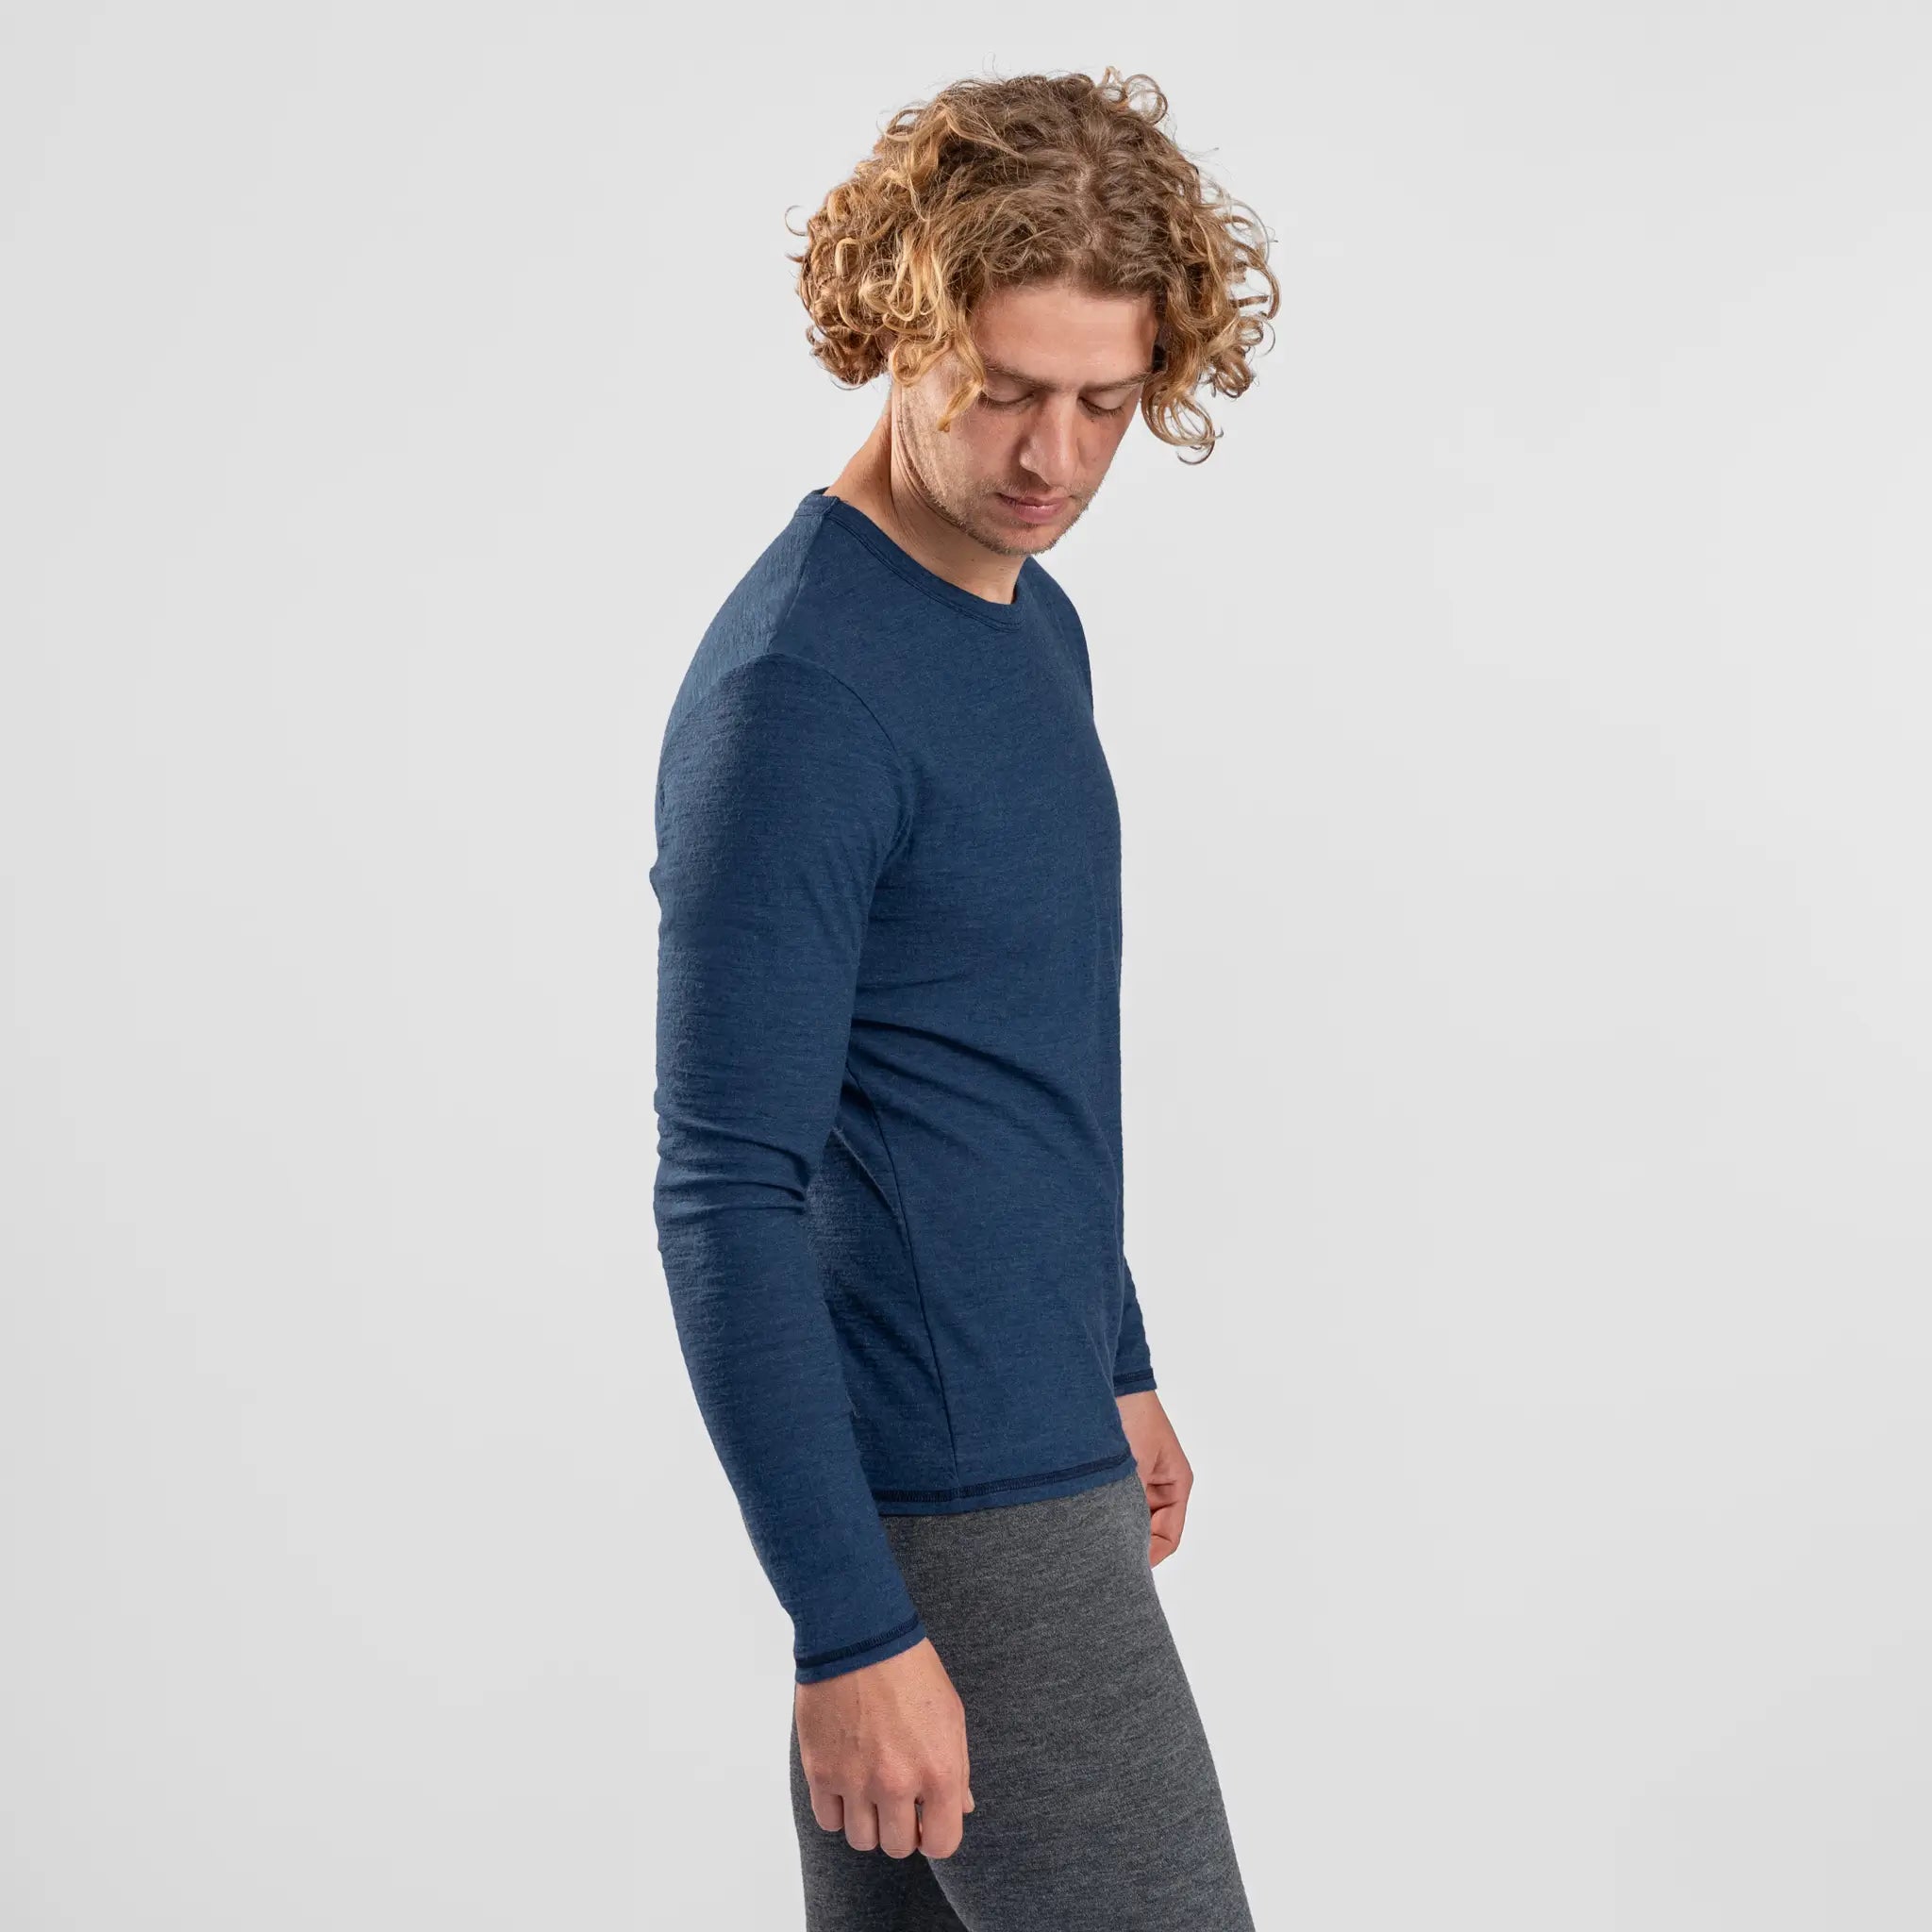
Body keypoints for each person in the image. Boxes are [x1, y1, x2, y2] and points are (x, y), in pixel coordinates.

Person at [650, 66, 1277, 1928]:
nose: (1052, 458)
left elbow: (1020, 1050)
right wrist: (850, 1627)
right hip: (955, 1502)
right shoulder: (801, 698)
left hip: (1035, 1430)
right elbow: (726, 1189)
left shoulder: (1024, 613)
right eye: (1004, 388)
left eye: (1106, 402)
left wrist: (1115, 1353)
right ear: (898, 323)